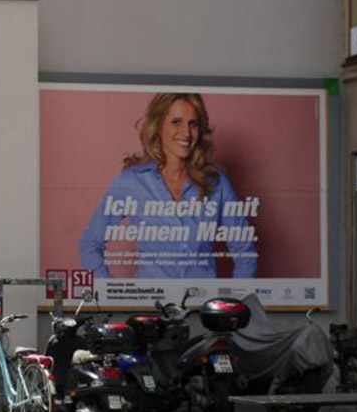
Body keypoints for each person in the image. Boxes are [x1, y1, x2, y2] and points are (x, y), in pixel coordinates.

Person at [78, 93, 258, 279]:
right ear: (159, 126)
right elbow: (90, 244)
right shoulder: (131, 181)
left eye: (193, 124)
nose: (186, 133)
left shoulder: (217, 183)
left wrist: (233, 303)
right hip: (149, 305)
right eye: (176, 122)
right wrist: (112, 296)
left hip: (202, 303)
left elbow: (245, 252)